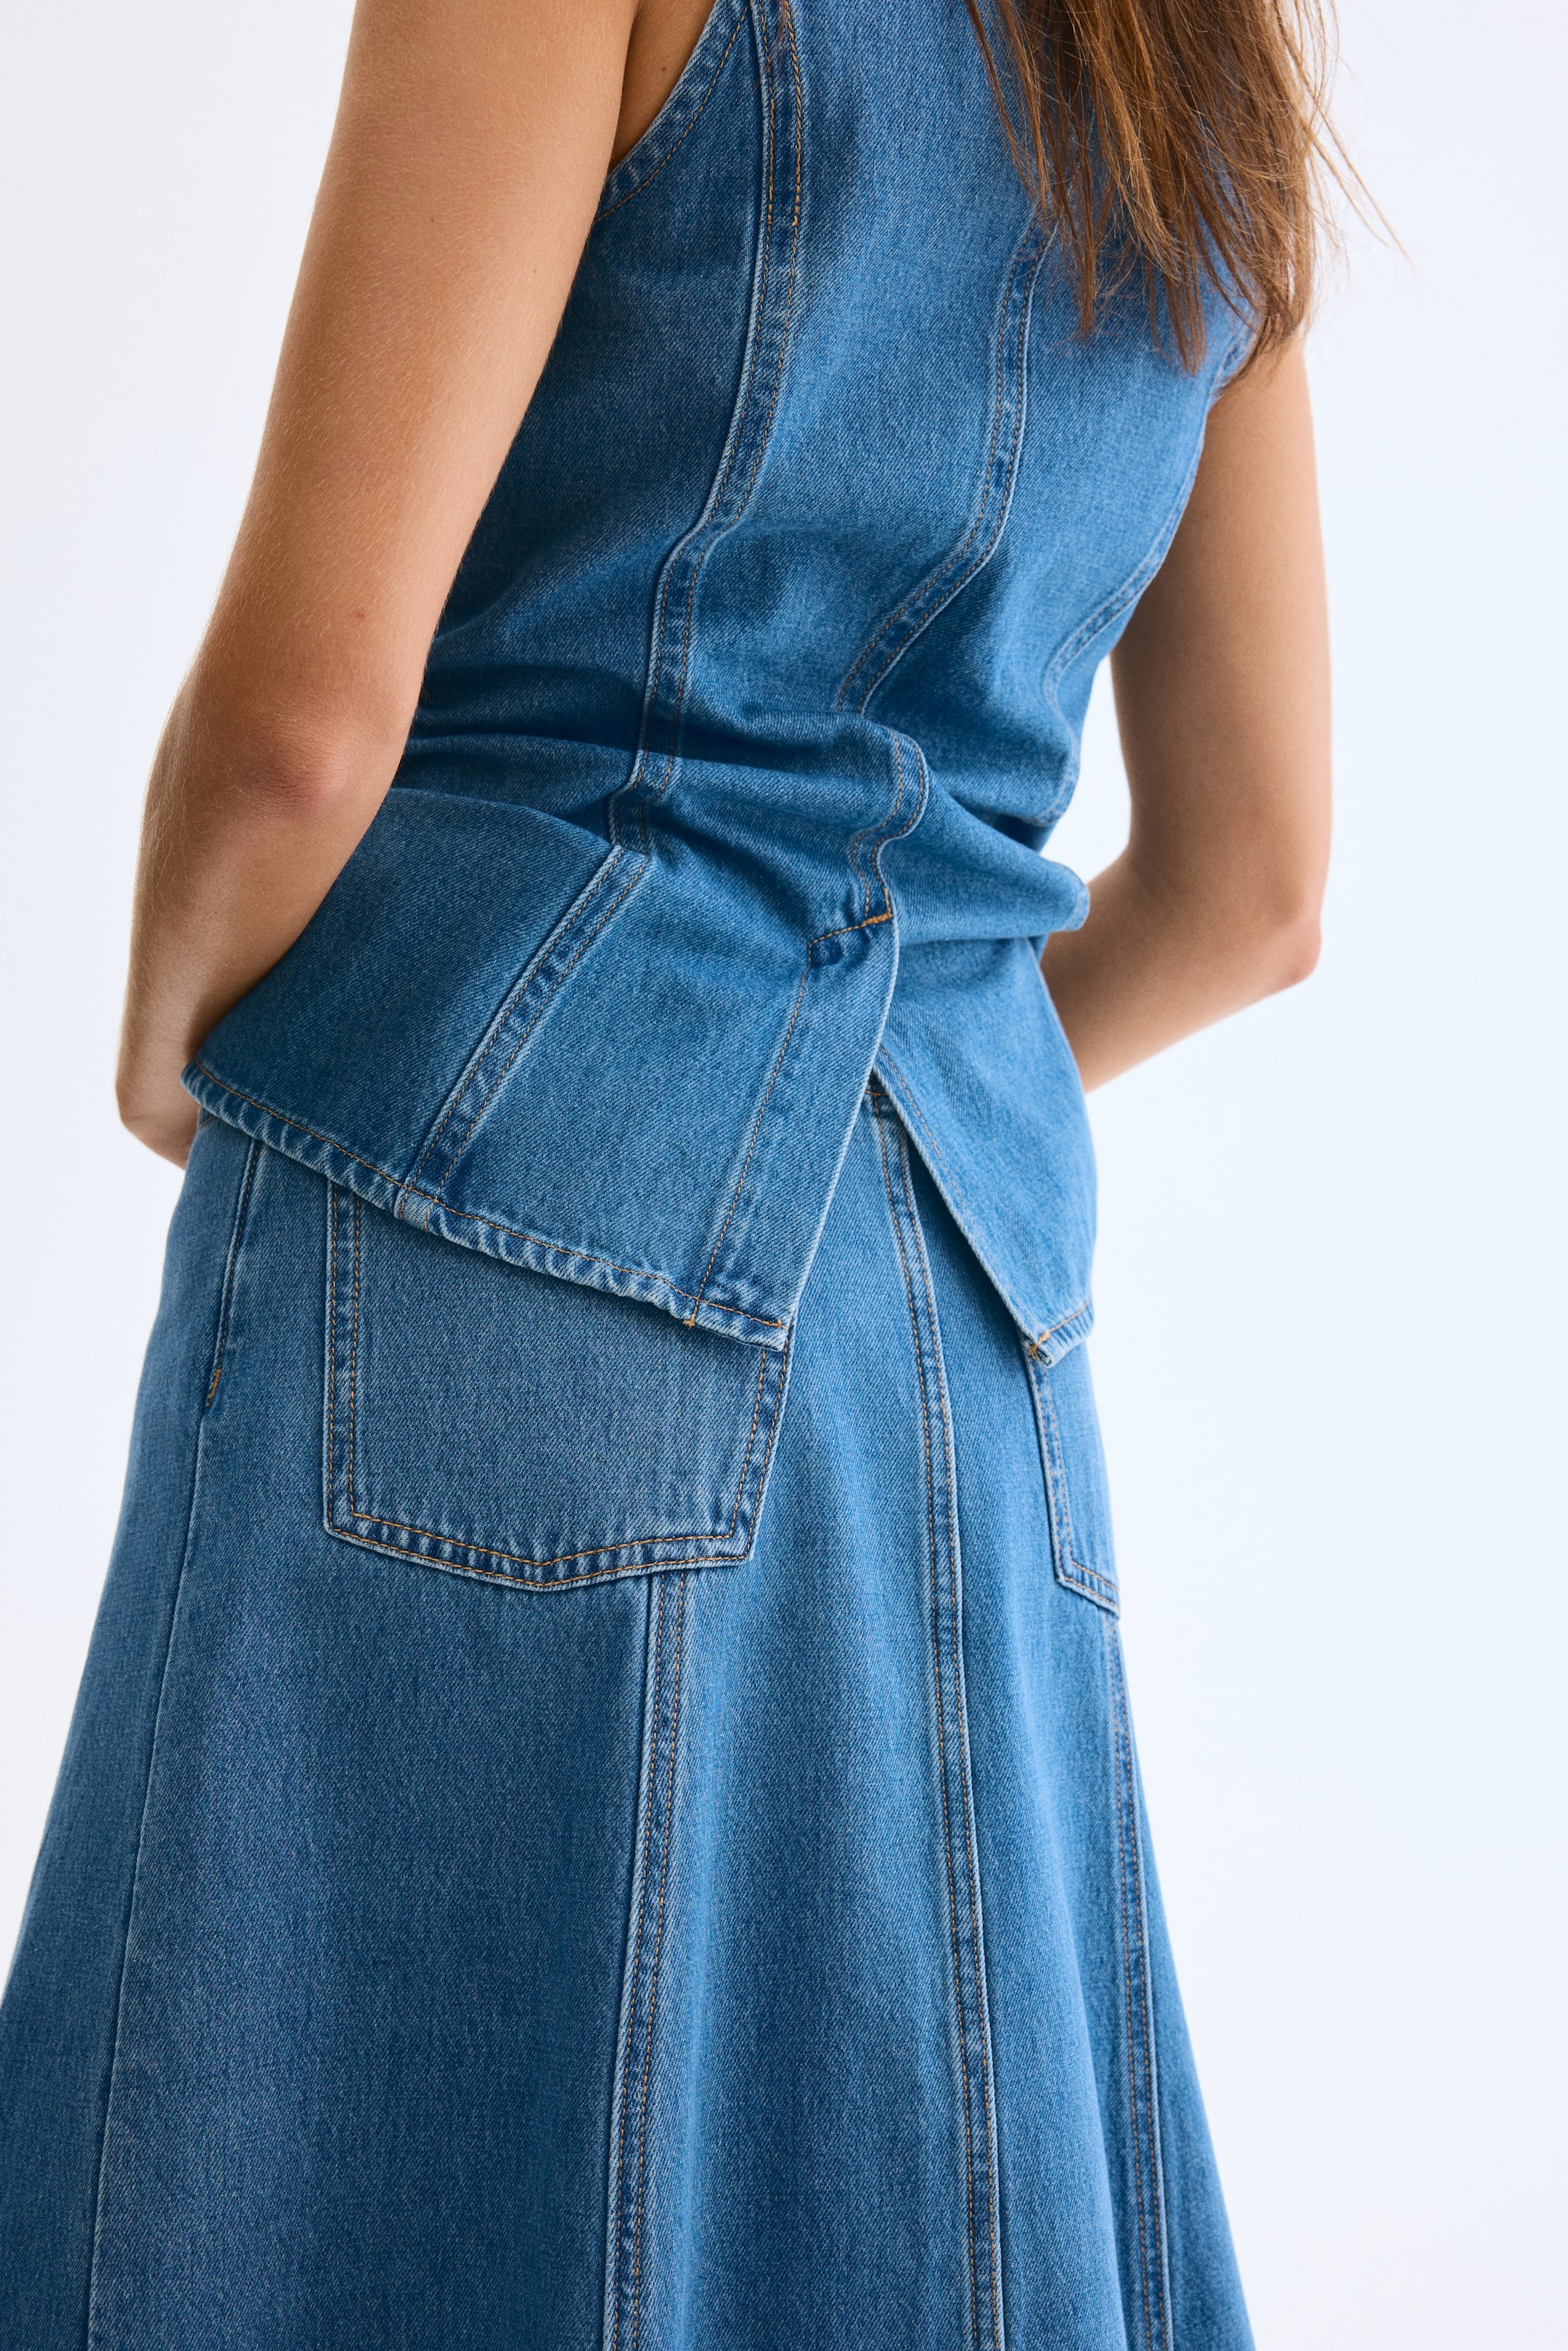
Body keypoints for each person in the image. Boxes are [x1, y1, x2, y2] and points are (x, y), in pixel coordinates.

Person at [0, 0, 1334, 2342]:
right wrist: (870, 1126)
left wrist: (165, 1051)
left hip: (474, 1210)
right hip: (962, 1329)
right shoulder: (1201, 56)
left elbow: (301, 724)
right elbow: (1258, 885)